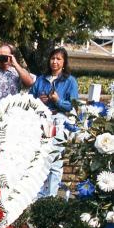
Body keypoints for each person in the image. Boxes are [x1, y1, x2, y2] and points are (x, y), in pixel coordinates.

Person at [31, 47, 79, 197]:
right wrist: (38, 101)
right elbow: (29, 99)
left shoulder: (69, 81)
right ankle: (37, 196)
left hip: (59, 121)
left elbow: (72, 104)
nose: (55, 62)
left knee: (55, 160)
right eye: (53, 58)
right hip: (42, 121)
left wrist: (58, 100)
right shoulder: (41, 79)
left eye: (58, 59)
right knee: (39, 160)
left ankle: (50, 197)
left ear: (64, 62)